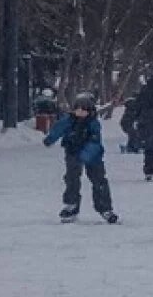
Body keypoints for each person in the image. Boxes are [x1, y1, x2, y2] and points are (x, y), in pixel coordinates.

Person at [44, 93, 118, 224]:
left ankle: (105, 208)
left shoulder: (93, 124)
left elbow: (95, 142)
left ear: (90, 111)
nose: (80, 112)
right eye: (77, 109)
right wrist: (50, 139)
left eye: (84, 110)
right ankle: (71, 204)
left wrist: (85, 156)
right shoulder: (69, 120)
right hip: (72, 152)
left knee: (99, 180)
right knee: (71, 178)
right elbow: (58, 128)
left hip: (93, 156)